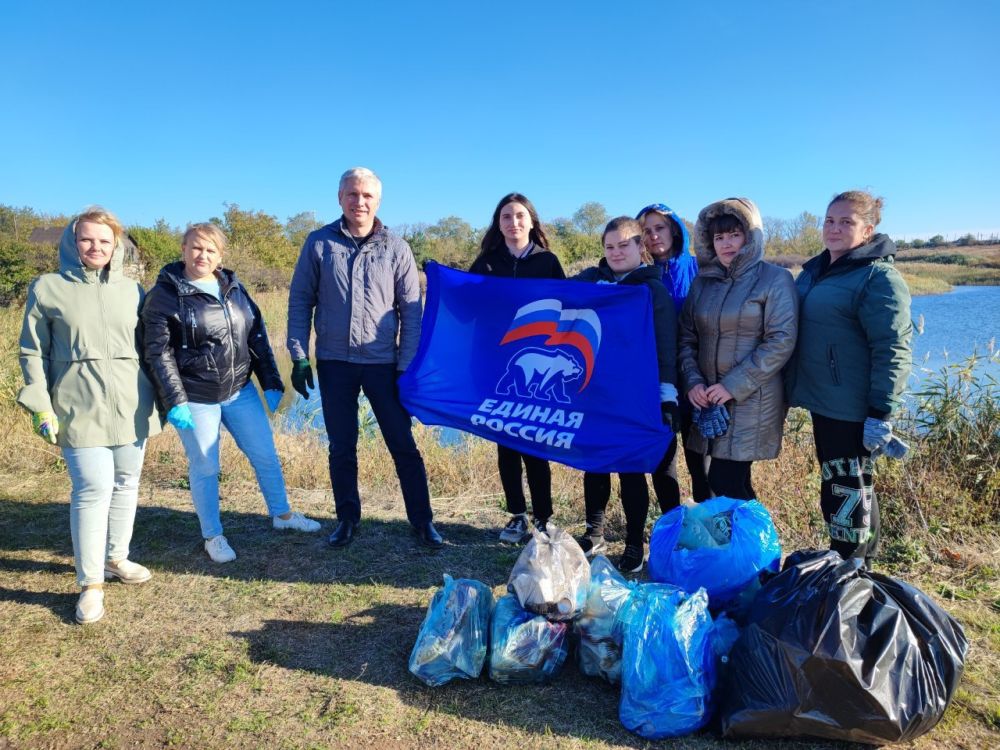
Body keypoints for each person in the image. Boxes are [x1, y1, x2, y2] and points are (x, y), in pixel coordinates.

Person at [141, 222, 320, 563]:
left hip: (240, 391)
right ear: (183, 249)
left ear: (220, 256)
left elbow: (256, 337)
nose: (202, 255)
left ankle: (282, 516)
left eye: (210, 249)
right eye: (196, 247)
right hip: (195, 397)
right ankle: (213, 535)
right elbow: (158, 353)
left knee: (265, 454)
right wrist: (174, 400)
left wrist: (270, 380)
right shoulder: (163, 295)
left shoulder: (233, 288)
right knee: (206, 466)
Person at [18, 208, 161, 624]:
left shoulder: (133, 290)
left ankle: (116, 558)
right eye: (87, 240)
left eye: (104, 241)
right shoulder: (47, 288)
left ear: (115, 245)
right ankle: (90, 584)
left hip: (131, 405)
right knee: (92, 488)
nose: (95, 247)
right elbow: (31, 352)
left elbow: (152, 348)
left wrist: (167, 399)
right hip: (77, 407)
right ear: (72, 242)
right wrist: (40, 404)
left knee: (126, 483)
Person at [286, 167, 442, 549]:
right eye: (353, 194)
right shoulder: (319, 244)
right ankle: (347, 519)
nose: (360, 202)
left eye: (367, 196)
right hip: (334, 362)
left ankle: (422, 522)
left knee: (402, 444)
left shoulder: (397, 247)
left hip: (383, 364)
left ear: (378, 201)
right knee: (342, 445)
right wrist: (298, 355)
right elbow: (300, 300)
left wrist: (406, 366)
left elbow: (411, 311)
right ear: (340, 197)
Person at [786, 190, 912, 567]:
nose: (835, 228)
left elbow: (893, 347)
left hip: (853, 405)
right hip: (824, 400)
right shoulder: (815, 271)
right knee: (839, 483)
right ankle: (850, 562)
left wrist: (881, 411)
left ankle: (855, 567)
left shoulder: (878, 277)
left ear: (868, 229)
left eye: (846, 222)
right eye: (829, 220)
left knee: (850, 486)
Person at [573, 216, 679, 573]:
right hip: (595, 392)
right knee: (595, 464)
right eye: (609, 246)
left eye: (624, 245)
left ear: (640, 247)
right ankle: (594, 532)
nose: (616, 252)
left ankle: (636, 542)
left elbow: (666, 345)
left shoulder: (653, 290)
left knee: (632, 471)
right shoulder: (590, 282)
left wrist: (667, 395)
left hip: (637, 397)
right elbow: (549, 293)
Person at [679, 198, 798, 501]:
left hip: (751, 399)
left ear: (751, 236)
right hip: (707, 398)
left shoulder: (775, 279)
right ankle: (743, 547)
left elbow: (780, 340)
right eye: (719, 237)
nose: (726, 244)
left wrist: (731, 386)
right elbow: (687, 338)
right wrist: (693, 383)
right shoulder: (702, 283)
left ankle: (753, 546)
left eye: (734, 234)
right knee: (722, 482)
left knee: (725, 479)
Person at [469, 193, 566, 543]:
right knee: (505, 442)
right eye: (507, 216)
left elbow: (565, 308)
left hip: (537, 361)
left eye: (520, 215)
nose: (514, 222)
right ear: (499, 223)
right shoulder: (486, 264)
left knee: (535, 440)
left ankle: (543, 518)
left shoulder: (548, 262)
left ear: (531, 221)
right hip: (496, 364)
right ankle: (517, 516)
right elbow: (468, 308)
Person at [636, 203, 710, 508]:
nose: (654, 236)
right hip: (656, 380)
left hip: (695, 377)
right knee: (663, 460)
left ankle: (711, 530)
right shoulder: (637, 277)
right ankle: (672, 526)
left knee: (701, 460)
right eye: (646, 231)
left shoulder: (700, 269)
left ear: (675, 230)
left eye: (660, 228)